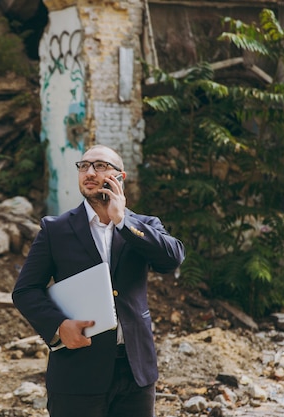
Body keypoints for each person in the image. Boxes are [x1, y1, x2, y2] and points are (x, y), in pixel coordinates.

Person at [12, 144, 185, 417]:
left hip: (135, 371)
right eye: (84, 166)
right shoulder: (55, 229)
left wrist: (122, 221)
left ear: (120, 177)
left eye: (100, 166)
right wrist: (58, 326)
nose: (90, 172)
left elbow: (172, 259)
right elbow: (25, 291)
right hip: (77, 371)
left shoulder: (144, 225)